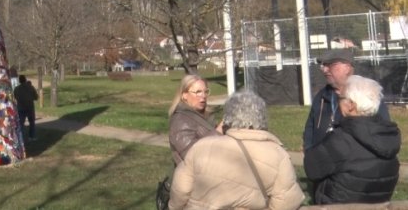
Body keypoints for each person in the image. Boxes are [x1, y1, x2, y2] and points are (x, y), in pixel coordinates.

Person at [169, 90, 305, 210]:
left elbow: (180, 191)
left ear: (228, 117)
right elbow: (286, 203)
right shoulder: (278, 155)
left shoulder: (201, 147)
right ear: (262, 117)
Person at [304, 75, 400, 205]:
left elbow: (311, 169)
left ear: (350, 105)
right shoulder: (388, 136)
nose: (338, 101)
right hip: (378, 205)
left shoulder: (341, 140)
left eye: (340, 98)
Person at [303, 48, 390, 151]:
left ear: (347, 67)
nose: (324, 70)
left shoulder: (367, 94)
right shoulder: (321, 96)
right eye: (323, 65)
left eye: (330, 65)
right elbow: (310, 128)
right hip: (320, 158)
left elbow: (382, 133)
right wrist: (309, 151)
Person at [168, 74, 219, 166]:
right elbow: (191, 155)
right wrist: (219, 131)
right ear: (184, 95)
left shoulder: (208, 116)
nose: (203, 96)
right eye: (198, 92)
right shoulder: (180, 121)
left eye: (205, 91)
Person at [13, 75, 39, 141]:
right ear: (25, 79)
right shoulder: (31, 87)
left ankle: (21, 138)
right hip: (30, 107)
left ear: (19, 81)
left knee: (21, 124)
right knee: (32, 122)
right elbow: (36, 97)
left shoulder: (16, 89)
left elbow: (15, 97)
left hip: (20, 107)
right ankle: (32, 137)